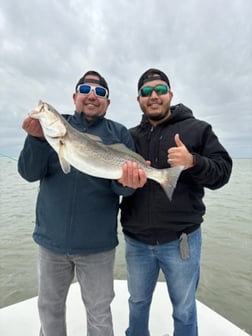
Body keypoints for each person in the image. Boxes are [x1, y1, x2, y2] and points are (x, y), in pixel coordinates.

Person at [18, 70, 136, 336]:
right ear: (74, 97)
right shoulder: (48, 134)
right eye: (85, 90)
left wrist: (130, 183)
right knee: (49, 309)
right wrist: (36, 139)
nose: (91, 95)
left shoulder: (118, 134)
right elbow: (28, 173)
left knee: (99, 313)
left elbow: (122, 190)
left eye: (100, 92)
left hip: (97, 247)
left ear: (107, 102)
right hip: (51, 243)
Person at [119, 68, 233, 336]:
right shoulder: (129, 137)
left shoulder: (198, 130)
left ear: (170, 94)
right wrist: (121, 182)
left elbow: (223, 172)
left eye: (160, 90)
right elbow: (113, 184)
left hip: (182, 241)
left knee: (183, 309)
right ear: (139, 100)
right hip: (136, 242)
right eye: (146, 92)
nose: (154, 96)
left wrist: (193, 161)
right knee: (136, 303)